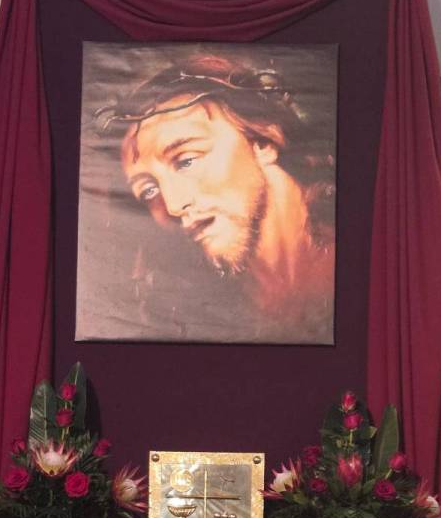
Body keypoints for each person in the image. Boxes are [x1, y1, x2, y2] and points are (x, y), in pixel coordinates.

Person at [88, 53, 335, 344]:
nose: (174, 205)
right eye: (149, 190)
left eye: (186, 161)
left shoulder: (354, 264)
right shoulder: (190, 309)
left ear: (262, 143)